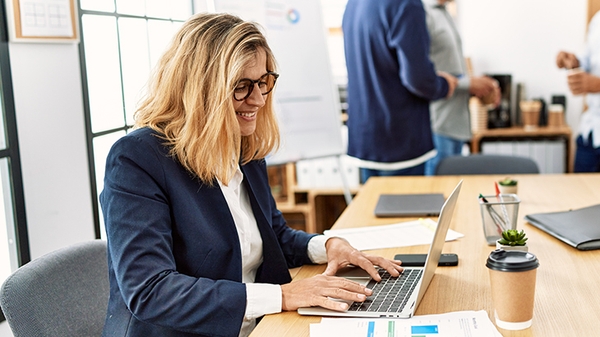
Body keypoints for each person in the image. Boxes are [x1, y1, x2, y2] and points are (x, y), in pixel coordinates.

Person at [99, 13, 403, 337]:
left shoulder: (244, 147)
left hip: (260, 327)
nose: (258, 99)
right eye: (242, 87)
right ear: (199, 90)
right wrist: (282, 296)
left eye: (263, 82)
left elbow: (273, 236)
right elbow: (151, 290)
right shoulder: (137, 160)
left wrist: (327, 247)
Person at [342, 0, 458, 183]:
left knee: (372, 209)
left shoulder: (354, 4)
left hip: (364, 137)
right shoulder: (406, 4)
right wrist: (444, 85)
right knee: (407, 211)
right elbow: (417, 79)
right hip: (398, 141)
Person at [422, 0, 500, 176]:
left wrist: (475, 84)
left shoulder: (445, 14)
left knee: (452, 194)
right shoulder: (422, 14)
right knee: (437, 197)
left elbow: (448, 70)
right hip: (438, 126)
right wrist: (468, 84)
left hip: (456, 126)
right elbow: (421, 76)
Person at [556, 11, 600, 172]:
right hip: (591, 133)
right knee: (580, 194)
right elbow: (589, 61)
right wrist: (573, 62)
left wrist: (597, 84)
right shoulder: (597, 20)